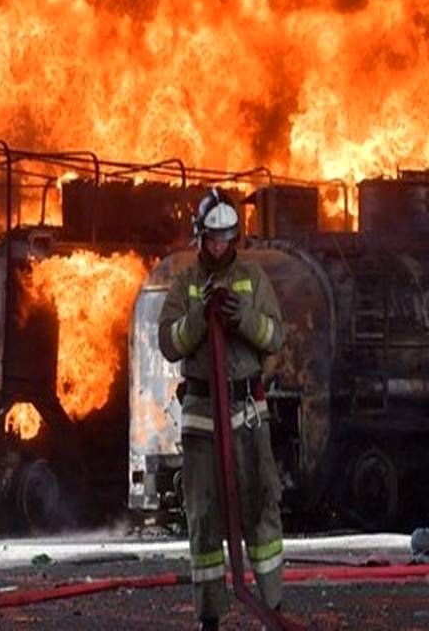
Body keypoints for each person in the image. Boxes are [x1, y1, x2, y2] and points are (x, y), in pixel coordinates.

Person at [157, 188, 286, 631]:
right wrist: (200, 317)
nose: (218, 247)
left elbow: (275, 337)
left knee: (261, 508)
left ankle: (272, 610)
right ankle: (210, 617)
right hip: (202, 417)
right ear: (200, 237)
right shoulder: (184, 283)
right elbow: (168, 343)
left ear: (235, 237)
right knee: (204, 515)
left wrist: (242, 317)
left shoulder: (253, 278)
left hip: (247, 414)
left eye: (226, 239)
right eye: (212, 239)